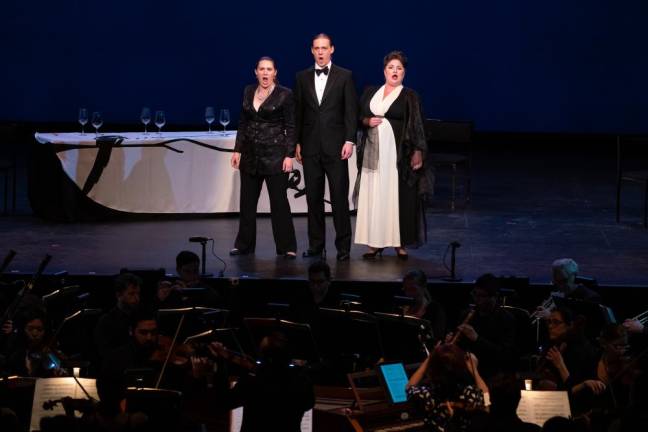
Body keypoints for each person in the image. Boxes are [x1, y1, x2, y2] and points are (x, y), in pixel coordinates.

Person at [355, 51, 427, 259]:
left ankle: (398, 242)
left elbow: (417, 126)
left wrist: (418, 151)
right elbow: (360, 116)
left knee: (397, 197)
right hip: (372, 153)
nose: (394, 71)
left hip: (397, 156)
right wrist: (367, 121)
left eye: (399, 68)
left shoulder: (409, 95)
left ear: (404, 72)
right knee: (374, 195)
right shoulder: (371, 91)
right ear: (384, 70)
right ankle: (375, 243)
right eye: (391, 68)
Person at [294, 33, 358, 261]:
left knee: (339, 199)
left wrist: (350, 140)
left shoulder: (345, 76)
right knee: (313, 199)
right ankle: (316, 246)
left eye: (324, 48)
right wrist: (297, 143)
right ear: (311, 50)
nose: (320, 52)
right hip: (310, 148)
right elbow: (298, 113)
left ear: (332, 49)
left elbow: (351, 111)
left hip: (337, 147)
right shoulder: (301, 77)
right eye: (316, 48)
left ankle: (343, 248)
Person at [230, 56, 297, 259]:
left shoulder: (285, 94)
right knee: (247, 203)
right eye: (262, 69)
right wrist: (237, 150)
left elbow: (291, 126)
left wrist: (289, 155)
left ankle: (286, 247)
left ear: (275, 72)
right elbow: (243, 123)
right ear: (256, 72)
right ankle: (244, 245)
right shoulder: (248, 91)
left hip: (275, 156)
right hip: (251, 155)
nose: (265, 73)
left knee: (279, 203)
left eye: (269, 69)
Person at [446, 273, 516, 379]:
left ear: (495, 296)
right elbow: (461, 348)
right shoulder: (467, 314)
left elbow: (505, 355)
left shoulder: (506, 319)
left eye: (482, 296)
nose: (477, 300)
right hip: (467, 369)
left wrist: (476, 338)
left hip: (493, 372)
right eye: (475, 294)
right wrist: (452, 343)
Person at [407, 344, 488, 432]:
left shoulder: (426, 396)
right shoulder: (469, 395)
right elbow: (486, 402)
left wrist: (431, 358)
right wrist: (474, 370)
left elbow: (409, 387)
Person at [94, 273, 142, 358]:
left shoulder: (140, 318)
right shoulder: (107, 321)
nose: (137, 298)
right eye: (131, 294)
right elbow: (105, 354)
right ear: (119, 295)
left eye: (138, 293)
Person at [401, 269, 446, 344]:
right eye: (406, 289)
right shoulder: (402, 308)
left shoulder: (435, 310)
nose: (408, 294)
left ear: (423, 287)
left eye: (413, 289)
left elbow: (438, 340)